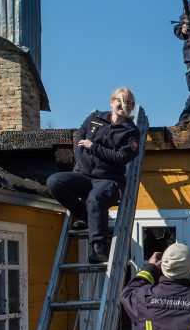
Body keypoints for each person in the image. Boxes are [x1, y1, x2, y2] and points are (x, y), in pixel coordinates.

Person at [45, 87, 140, 264]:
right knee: (54, 182)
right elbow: (79, 138)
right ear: (112, 102)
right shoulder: (95, 119)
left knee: (95, 199)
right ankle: (85, 216)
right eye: (119, 100)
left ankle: (98, 248)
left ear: (132, 107)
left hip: (109, 180)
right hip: (84, 175)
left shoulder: (131, 132)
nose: (123, 104)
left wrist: (93, 148)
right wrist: (82, 159)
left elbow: (120, 158)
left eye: (128, 102)